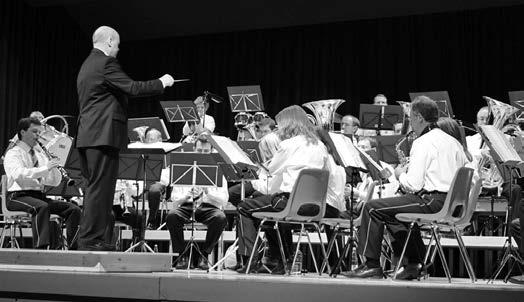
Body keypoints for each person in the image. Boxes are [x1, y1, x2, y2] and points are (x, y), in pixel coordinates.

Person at [345, 96, 469, 279]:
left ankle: (371, 265)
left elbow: (413, 185)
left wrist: (398, 174)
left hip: (434, 201)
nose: (409, 122)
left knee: (373, 208)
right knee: (393, 213)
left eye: (410, 117)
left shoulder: (423, 142)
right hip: (454, 204)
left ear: (419, 117)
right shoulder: (453, 142)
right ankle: (415, 263)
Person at [75, 25, 175, 251]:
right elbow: (132, 87)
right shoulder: (105, 63)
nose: (118, 50)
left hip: (88, 135)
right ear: (109, 41)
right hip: (102, 136)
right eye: (117, 45)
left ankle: (92, 239)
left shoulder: (86, 66)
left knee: (95, 190)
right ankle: (92, 241)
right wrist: (162, 82)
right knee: (101, 191)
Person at [236, 105, 331, 274]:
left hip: (289, 203)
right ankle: (281, 261)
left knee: (244, 207)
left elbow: (270, 170)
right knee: (271, 213)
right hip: (314, 207)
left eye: (280, 125)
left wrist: (258, 164)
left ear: (289, 124)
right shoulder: (320, 145)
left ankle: (251, 259)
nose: (279, 129)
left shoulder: (289, 144)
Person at [3, 117, 81, 249]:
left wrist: (56, 167)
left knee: (73, 209)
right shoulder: (13, 153)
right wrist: (46, 168)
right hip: (16, 196)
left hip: (38, 196)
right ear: (22, 132)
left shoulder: (40, 155)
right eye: (34, 132)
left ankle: (74, 248)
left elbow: (53, 182)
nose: (38, 136)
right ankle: (40, 248)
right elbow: (18, 174)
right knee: (42, 207)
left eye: (39, 132)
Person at [167, 164, 228, 270]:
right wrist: (186, 196)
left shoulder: (219, 173)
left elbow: (224, 200)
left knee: (220, 218)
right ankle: (182, 255)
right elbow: (174, 199)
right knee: (172, 216)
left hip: (208, 207)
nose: (202, 153)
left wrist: (208, 192)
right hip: (187, 206)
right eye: (200, 150)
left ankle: (204, 255)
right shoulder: (183, 171)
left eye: (205, 151)